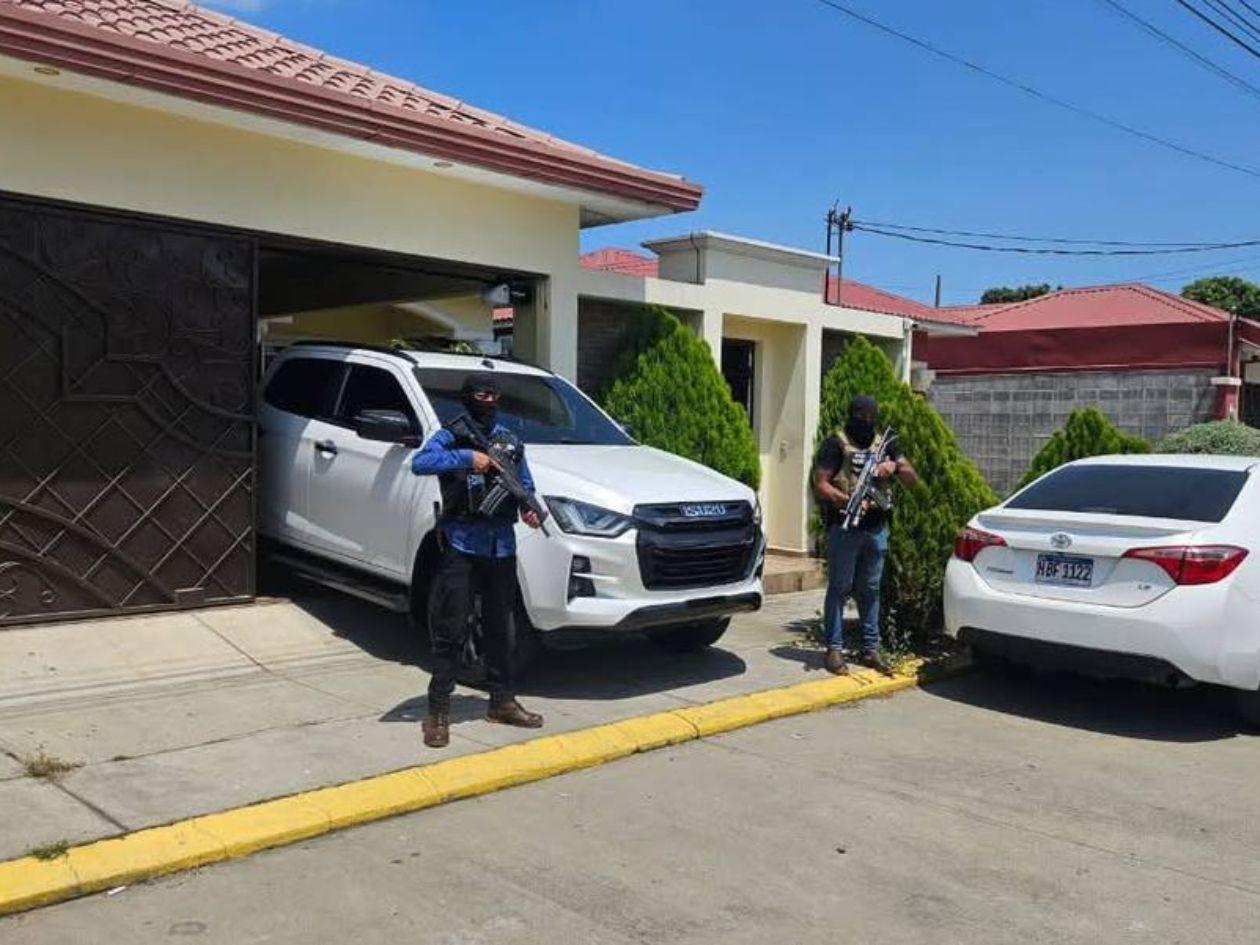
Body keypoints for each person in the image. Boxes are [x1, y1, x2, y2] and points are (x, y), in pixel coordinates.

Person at [411, 373, 544, 748]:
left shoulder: (510, 440)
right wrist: (469, 458)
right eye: (481, 393)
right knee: (452, 629)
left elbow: (525, 483)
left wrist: (530, 509)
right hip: (462, 543)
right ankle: (437, 711)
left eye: (494, 394)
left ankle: (502, 701)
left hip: (501, 546)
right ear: (467, 397)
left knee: (501, 628)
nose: (488, 399)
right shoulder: (452, 435)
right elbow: (420, 463)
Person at [812, 394, 917, 677]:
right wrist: (845, 500)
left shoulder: (886, 443)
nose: (866, 423)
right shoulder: (836, 443)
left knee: (870, 591)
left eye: (871, 418)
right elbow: (820, 483)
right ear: (851, 416)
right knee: (839, 588)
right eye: (861, 417)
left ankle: (871, 648)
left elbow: (912, 478)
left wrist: (893, 466)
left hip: (876, 529)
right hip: (845, 527)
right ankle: (834, 649)